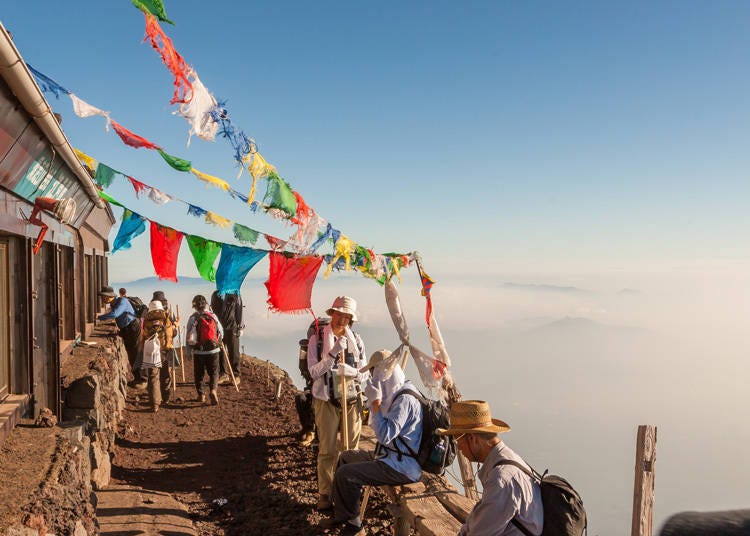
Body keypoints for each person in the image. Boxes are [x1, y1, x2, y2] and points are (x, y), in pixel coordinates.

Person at [320, 350, 423, 535]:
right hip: (390, 456)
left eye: (375, 371)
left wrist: (375, 404)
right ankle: (349, 517)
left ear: (383, 373)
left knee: (345, 474)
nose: (373, 378)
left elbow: (385, 435)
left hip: (402, 467)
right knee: (345, 457)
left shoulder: (404, 400)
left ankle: (355, 528)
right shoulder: (396, 391)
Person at [438, 400, 544, 536]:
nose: (458, 448)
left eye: (458, 441)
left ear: (472, 439)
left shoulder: (501, 480)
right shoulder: (508, 458)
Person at [307, 296, 367, 511]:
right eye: (339, 314)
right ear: (332, 313)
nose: (342, 319)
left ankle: (350, 491)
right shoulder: (318, 340)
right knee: (327, 450)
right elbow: (314, 372)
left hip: (352, 400)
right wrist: (332, 354)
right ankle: (325, 493)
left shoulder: (356, 340)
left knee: (351, 449)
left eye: (347, 315)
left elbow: (364, 373)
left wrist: (352, 372)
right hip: (325, 399)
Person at [97, 286, 144, 387]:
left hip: (132, 327)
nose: (102, 299)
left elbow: (115, 314)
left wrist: (99, 318)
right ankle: (137, 378)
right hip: (126, 329)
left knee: (135, 352)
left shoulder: (122, 302)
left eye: (103, 297)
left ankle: (142, 379)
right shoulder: (115, 303)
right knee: (131, 352)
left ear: (108, 297)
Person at [186, 294, 224, 405]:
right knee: (214, 373)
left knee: (199, 374)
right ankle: (213, 390)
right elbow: (221, 331)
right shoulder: (212, 316)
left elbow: (189, 336)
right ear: (206, 304)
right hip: (213, 350)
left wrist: (188, 352)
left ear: (194, 306)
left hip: (199, 351)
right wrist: (219, 343)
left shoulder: (193, 318)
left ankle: (201, 395)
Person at [141, 300, 176, 412]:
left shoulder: (146, 320)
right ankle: (165, 398)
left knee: (153, 377)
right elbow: (171, 334)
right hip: (165, 351)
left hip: (152, 352)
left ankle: (155, 404)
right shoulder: (166, 318)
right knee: (165, 375)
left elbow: (144, 335)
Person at [210, 290, 244, 386]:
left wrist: (240, 327)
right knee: (220, 351)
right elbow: (213, 311)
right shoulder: (215, 294)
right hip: (219, 327)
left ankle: (236, 375)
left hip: (232, 327)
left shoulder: (235, 294)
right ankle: (223, 374)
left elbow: (239, 310)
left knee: (234, 351)